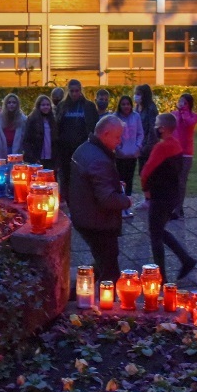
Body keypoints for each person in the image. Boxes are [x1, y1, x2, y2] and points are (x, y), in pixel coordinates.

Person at [69, 116, 133, 282]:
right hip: (97, 222)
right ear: (105, 134)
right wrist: (126, 201)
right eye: (118, 137)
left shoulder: (84, 149)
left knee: (104, 259)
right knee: (110, 272)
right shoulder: (99, 159)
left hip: (85, 216)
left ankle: (76, 290)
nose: (120, 141)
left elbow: (90, 183)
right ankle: (105, 305)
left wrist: (114, 183)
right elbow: (107, 199)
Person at [141, 113, 196, 280]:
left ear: (162, 128)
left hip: (159, 195)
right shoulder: (176, 145)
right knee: (159, 231)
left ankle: (161, 275)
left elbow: (146, 171)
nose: (155, 127)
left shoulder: (161, 147)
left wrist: (145, 190)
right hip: (172, 195)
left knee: (155, 234)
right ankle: (186, 260)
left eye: (157, 124)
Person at [55, 80, 99, 202]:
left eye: (77, 91)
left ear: (80, 91)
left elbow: (94, 126)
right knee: (66, 176)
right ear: (68, 92)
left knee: (82, 175)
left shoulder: (88, 106)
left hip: (83, 147)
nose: (74, 94)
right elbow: (57, 126)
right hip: (65, 148)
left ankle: (83, 199)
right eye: (72, 91)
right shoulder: (62, 106)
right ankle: (68, 199)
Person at [114, 94, 143, 217]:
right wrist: (117, 149)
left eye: (128, 104)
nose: (126, 106)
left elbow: (140, 133)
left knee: (129, 181)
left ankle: (127, 206)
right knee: (120, 181)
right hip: (120, 155)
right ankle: (119, 206)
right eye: (123, 104)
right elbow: (113, 134)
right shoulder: (115, 117)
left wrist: (137, 147)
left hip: (132, 154)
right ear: (120, 105)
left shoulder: (136, 117)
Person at [172, 92, 197, 219]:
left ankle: (178, 208)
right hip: (174, 151)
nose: (181, 103)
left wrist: (184, 113)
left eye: (184, 102)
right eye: (180, 101)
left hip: (187, 153)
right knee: (174, 180)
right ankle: (174, 205)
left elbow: (189, 123)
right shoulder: (174, 114)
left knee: (182, 180)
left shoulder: (194, 116)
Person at [134, 83, 159, 210]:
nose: (136, 96)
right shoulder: (138, 107)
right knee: (142, 173)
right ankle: (148, 198)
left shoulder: (150, 109)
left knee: (148, 173)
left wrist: (148, 146)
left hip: (148, 147)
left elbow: (152, 129)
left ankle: (150, 200)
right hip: (139, 145)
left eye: (138, 94)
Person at [22, 94, 58, 169]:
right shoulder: (32, 120)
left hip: (51, 157)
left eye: (48, 105)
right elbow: (27, 139)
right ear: (38, 106)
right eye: (43, 105)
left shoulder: (53, 120)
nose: (46, 107)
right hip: (37, 157)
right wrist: (32, 156)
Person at [0, 93, 26, 158]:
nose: (11, 104)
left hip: (17, 152)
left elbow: (26, 136)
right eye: (9, 102)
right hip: (2, 151)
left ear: (17, 105)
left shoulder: (23, 119)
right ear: (5, 104)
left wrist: (23, 148)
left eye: (14, 103)